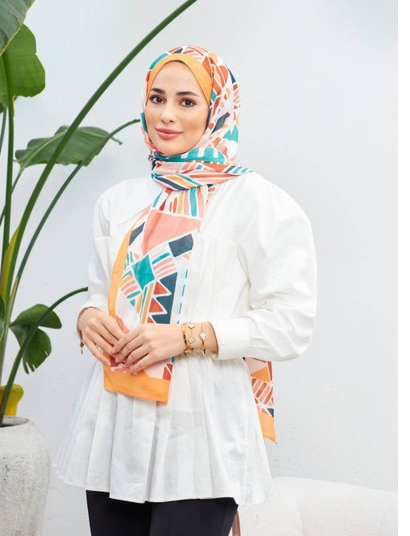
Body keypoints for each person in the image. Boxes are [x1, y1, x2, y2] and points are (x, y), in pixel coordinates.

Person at [54, 44, 317, 536]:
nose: (167, 115)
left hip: (201, 434)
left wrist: (185, 337)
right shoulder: (118, 202)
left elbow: (291, 325)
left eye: (187, 101)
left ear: (217, 110)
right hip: (115, 425)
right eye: (157, 98)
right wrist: (87, 318)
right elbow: (99, 292)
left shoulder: (258, 204)